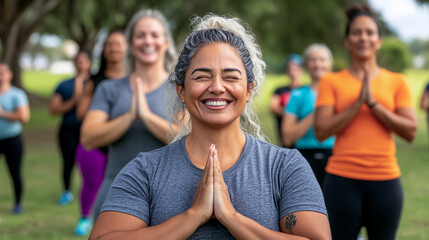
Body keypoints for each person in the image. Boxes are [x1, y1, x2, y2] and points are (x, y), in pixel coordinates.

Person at [89, 14, 330, 240]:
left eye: (231, 77)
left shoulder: (285, 167)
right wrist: (192, 216)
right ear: (181, 90)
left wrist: (232, 218)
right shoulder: (144, 170)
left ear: (249, 90)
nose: (216, 87)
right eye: (202, 76)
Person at [314, 3, 417, 240]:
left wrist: (373, 104)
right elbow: (321, 131)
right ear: (347, 40)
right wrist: (357, 103)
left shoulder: (397, 81)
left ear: (379, 40)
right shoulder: (331, 81)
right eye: (356, 32)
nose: (364, 37)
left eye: (370, 32)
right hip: (342, 179)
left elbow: (410, 131)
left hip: (385, 180)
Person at [80, 9, 177, 222]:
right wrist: (129, 116)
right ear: (132, 44)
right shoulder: (109, 89)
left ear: (166, 42)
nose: (147, 41)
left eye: (154, 35)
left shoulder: (180, 89)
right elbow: (88, 137)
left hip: (169, 197)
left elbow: (187, 138)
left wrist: (146, 116)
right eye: (140, 35)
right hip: (117, 194)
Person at [73, 31, 127, 236]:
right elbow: (81, 114)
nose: (114, 48)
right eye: (109, 45)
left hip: (124, 145)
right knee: (93, 184)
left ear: (127, 48)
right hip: (96, 145)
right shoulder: (94, 81)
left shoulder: (135, 81)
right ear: (104, 50)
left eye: (118, 44)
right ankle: (85, 218)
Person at [282, 43, 335, 187]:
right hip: (305, 158)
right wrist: (317, 112)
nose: (317, 64)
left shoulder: (339, 94)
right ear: (306, 65)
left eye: (322, 59)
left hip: (336, 158)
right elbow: (287, 137)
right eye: (313, 60)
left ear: (330, 64)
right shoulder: (297, 95)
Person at [50, 51, 91, 205]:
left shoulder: (95, 83)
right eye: (78, 61)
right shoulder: (64, 85)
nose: (81, 64)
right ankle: (66, 191)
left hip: (88, 129)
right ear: (74, 63)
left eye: (84, 61)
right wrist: (74, 99)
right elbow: (53, 110)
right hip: (68, 129)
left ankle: (89, 190)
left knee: (89, 162)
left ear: (89, 64)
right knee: (68, 161)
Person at [0, 63, 30, 214]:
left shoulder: (17, 94)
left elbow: (24, 117)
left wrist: (3, 113)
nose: (0, 76)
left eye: (3, 73)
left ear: (9, 74)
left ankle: (18, 203)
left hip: (12, 139)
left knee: (15, 173)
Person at [270, 54, 303, 147]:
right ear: (286, 71)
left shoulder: (305, 90)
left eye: (295, 69)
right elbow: (273, 107)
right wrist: (295, 114)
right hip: (284, 134)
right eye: (290, 69)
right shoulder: (280, 90)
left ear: (301, 70)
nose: (293, 72)